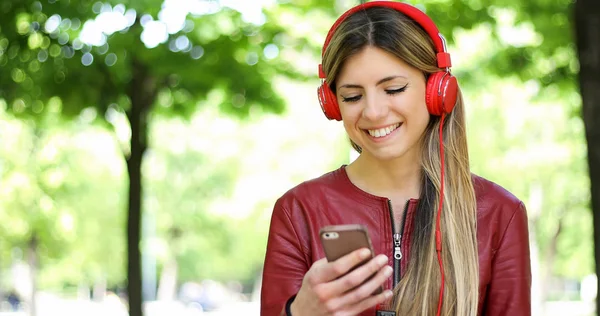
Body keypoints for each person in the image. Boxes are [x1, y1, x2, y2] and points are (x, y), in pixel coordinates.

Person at [260, 1, 531, 316]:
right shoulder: (298, 211)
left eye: (393, 89)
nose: (373, 112)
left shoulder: (500, 213)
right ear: (333, 105)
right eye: (352, 96)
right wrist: (300, 312)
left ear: (437, 90)